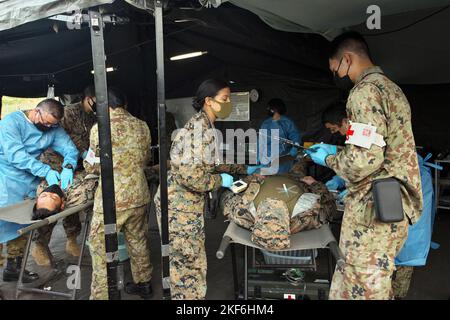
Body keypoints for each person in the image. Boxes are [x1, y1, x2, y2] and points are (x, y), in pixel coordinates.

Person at [306, 31, 422, 300]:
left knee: (363, 286)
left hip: (374, 209)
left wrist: (329, 160)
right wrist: (338, 151)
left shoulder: (364, 92)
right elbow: (379, 146)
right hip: (392, 202)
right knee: (374, 280)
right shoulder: (391, 88)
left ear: (347, 59)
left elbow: (364, 160)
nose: (337, 75)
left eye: (335, 69)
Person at [154, 78, 248, 300]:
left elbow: (209, 163)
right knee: (188, 267)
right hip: (179, 209)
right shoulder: (199, 129)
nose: (228, 103)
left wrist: (242, 168)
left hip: (185, 206)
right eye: (225, 99)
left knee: (187, 264)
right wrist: (220, 182)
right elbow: (191, 176)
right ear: (208, 101)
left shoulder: (205, 125)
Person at [84, 87, 153, 300]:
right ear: (124, 104)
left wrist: (89, 163)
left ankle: (103, 295)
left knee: (100, 247)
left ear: (105, 106)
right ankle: (144, 284)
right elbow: (146, 158)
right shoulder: (142, 126)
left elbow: (92, 166)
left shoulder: (99, 128)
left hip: (112, 200)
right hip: (139, 194)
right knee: (138, 240)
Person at [0, 99, 79, 283]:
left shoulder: (53, 128)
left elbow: (69, 148)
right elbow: (15, 155)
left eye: (53, 125)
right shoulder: (12, 122)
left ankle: (14, 268)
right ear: (37, 112)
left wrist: (68, 165)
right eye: (46, 123)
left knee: (21, 226)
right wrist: (45, 171)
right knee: (3, 223)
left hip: (28, 181)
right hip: (5, 177)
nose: (49, 127)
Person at [32, 86, 97, 265]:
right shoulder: (68, 112)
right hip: (55, 163)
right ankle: (40, 245)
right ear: (89, 98)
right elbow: (63, 137)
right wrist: (84, 152)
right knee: (50, 205)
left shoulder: (92, 117)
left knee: (70, 202)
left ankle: (71, 240)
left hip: (74, 163)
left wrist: (88, 156)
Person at [221, 173, 336, 250]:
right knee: (299, 164)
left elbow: (227, 194)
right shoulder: (306, 218)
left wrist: (252, 179)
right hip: (296, 179)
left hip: (263, 177)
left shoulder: (242, 214)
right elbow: (329, 202)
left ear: (257, 221)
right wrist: (314, 183)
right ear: (287, 225)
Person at [31, 170, 98, 265]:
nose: (50, 192)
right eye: (54, 197)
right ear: (62, 203)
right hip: (77, 177)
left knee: (48, 211)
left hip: (62, 167)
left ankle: (71, 241)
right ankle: (40, 246)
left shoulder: (41, 190)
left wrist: (68, 165)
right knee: (49, 217)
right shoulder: (77, 196)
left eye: (44, 195)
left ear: (37, 200)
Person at [259, 98, 301, 174]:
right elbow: (261, 142)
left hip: (284, 157)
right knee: (269, 180)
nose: (275, 114)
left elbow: (295, 135)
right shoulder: (266, 124)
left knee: (283, 179)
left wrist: (295, 146)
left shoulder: (287, 122)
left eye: (276, 111)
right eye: (273, 111)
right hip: (269, 156)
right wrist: (259, 157)